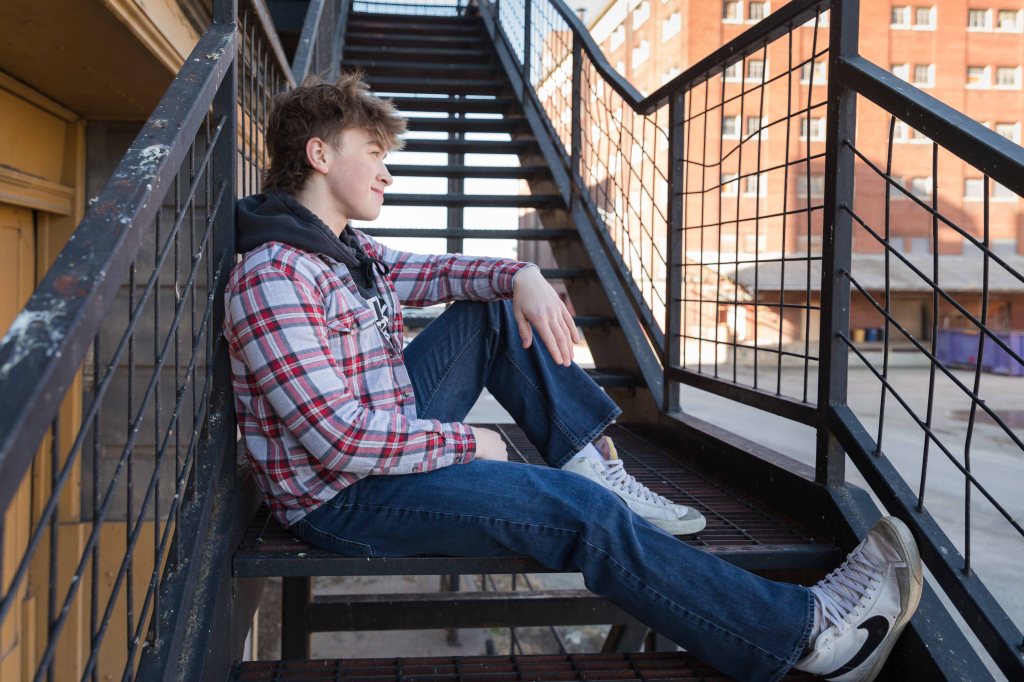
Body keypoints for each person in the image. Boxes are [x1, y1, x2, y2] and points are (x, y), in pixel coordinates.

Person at [223, 73, 924, 682]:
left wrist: (520, 273)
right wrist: (470, 445)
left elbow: (434, 272)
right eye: (372, 155)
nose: (387, 174)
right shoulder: (273, 275)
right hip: (342, 498)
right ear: (318, 155)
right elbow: (338, 440)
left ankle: (586, 460)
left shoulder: (344, 251)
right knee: (576, 516)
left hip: (384, 436)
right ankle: (812, 638)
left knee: (493, 310)